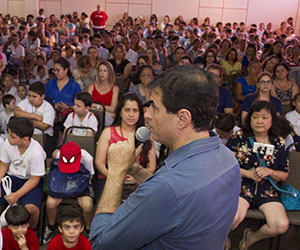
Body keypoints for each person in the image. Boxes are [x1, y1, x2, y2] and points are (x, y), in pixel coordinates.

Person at [89, 66, 241, 249]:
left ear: (182, 118)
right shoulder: (228, 160)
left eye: (154, 107)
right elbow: (178, 202)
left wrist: (116, 171)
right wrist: (136, 170)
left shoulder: (169, 187)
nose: (147, 115)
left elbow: (101, 243)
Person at [227, 101, 289, 250]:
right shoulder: (239, 137)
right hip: (242, 186)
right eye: (255, 117)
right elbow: (225, 166)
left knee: (280, 225)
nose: (259, 121)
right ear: (250, 119)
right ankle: (222, 237)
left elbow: (284, 175)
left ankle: (251, 237)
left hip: (267, 188)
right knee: (232, 219)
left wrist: (270, 172)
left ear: (272, 119)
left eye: (264, 117)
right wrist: (247, 173)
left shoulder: (279, 143)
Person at [94, 93, 156, 201]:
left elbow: (151, 167)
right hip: (109, 178)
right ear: (120, 112)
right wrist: (116, 177)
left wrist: (137, 177)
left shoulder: (146, 136)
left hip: (137, 182)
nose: (131, 114)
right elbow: (99, 163)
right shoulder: (108, 132)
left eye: (135, 111)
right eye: (127, 110)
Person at [43, 142, 95, 245]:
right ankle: (51, 226)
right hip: (63, 182)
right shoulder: (57, 155)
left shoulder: (87, 158)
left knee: (87, 205)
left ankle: (89, 229)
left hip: (80, 184)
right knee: (50, 203)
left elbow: (90, 175)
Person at [0, 117, 46, 229]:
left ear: (25, 139)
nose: (9, 138)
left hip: (29, 181)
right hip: (11, 178)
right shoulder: (8, 144)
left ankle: (32, 231)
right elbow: (3, 165)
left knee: (31, 209)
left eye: (12, 137)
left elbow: (35, 179)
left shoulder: (36, 152)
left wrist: (16, 195)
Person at [15, 81, 56, 157]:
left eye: (34, 96)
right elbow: (17, 112)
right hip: (27, 135)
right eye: (29, 96)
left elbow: (44, 126)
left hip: (44, 136)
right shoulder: (26, 102)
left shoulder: (48, 108)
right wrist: (35, 116)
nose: (31, 99)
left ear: (42, 96)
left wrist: (26, 120)